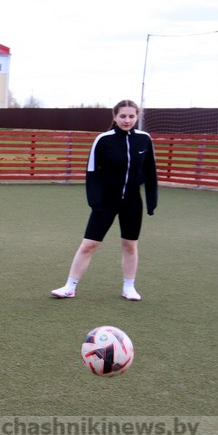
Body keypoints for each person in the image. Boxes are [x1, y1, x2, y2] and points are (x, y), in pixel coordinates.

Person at [51, 99, 157, 301]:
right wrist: (95, 202)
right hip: (106, 202)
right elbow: (92, 171)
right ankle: (69, 287)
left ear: (137, 117)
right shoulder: (103, 140)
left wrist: (152, 201)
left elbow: (150, 171)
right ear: (115, 116)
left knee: (130, 245)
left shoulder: (144, 139)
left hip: (133, 202)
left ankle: (129, 287)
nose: (127, 120)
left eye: (131, 116)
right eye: (123, 116)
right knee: (88, 245)